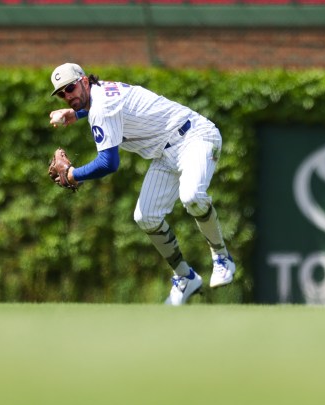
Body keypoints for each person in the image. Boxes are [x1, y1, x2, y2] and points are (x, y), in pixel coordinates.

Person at [48, 63, 235, 305]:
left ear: (84, 82)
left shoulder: (102, 107)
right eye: (61, 93)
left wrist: (73, 175)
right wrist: (75, 113)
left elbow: (108, 163)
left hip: (195, 137)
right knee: (145, 217)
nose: (67, 96)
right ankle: (185, 277)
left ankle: (222, 257)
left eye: (70, 87)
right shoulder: (100, 92)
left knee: (191, 196)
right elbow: (100, 108)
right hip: (165, 153)